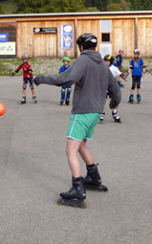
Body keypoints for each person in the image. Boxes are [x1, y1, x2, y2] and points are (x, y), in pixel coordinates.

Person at [34, 32, 121, 208]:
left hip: (82, 111)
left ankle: (78, 189)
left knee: (70, 150)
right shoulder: (104, 65)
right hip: (96, 112)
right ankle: (94, 178)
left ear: (81, 46)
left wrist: (41, 78)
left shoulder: (83, 60)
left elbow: (65, 78)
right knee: (81, 145)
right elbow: (115, 89)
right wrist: (113, 104)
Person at [99, 55, 122, 123]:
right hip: (104, 86)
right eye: (105, 61)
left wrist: (124, 77)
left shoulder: (114, 68)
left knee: (115, 99)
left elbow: (119, 74)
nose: (106, 62)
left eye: (107, 61)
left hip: (112, 86)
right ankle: (102, 112)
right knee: (103, 100)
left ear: (111, 62)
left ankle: (114, 112)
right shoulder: (102, 68)